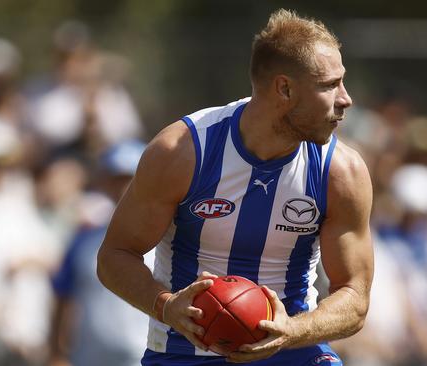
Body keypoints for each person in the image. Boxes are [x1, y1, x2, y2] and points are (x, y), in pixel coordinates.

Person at [97, 9, 374, 366]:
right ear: (284, 88)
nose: (345, 98)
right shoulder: (183, 152)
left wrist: (292, 331)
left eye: (343, 81)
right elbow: (114, 257)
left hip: (291, 351)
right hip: (185, 354)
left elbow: (355, 298)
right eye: (328, 85)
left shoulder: (341, 172)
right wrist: (167, 307)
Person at [49, 140, 153, 366]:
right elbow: (63, 295)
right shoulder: (84, 238)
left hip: (141, 356)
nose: (122, 186)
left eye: (129, 178)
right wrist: (57, 353)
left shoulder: (167, 238)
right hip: (88, 357)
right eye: (116, 178)